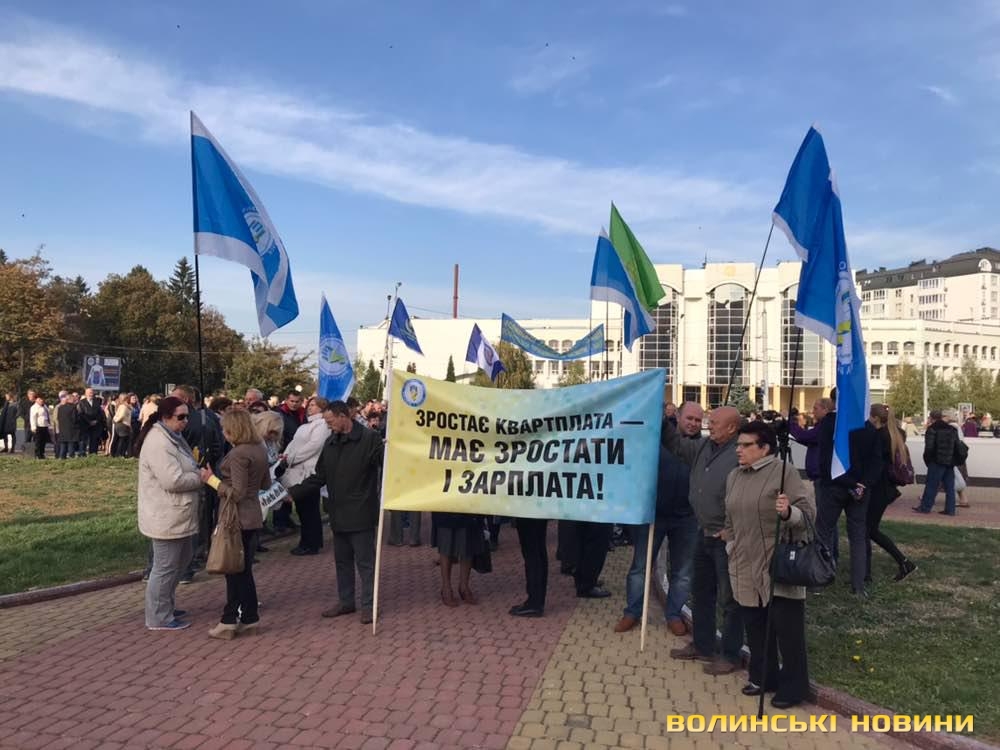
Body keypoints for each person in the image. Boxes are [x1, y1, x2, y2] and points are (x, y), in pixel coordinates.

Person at [723, 421, 814, 708]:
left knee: (787, 630)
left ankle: (794, 687)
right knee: (756, 626)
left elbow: (808, 516)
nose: (738, 450)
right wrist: (730, 543)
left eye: (745, 445)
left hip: (778, 563)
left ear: (764, 448)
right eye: (738, 444)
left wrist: (789, 513)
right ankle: (764, 677)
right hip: (743, 562)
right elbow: (730, 517)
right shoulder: (734, 476)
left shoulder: (784, 472)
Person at [663, 403, 743, 676]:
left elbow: (749, 494)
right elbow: (677, 445)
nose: (709, 425)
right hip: (704, 532)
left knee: (730, 599)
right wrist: (662, 419)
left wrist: (731, 528)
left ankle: (730, 655)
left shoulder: (740, 453)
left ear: (731, 428)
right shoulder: (705, 446)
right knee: (702, 592)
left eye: (715, 422)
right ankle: (703, 645)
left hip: (726, 538)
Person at [293, 401, 384, 624]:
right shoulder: (330, 443)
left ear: (343, 416)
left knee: (366, 563)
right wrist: (293, 492)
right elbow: (319, 476)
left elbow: (386, 465)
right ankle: (346, 601)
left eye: (330, 421)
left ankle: (369, 605)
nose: (328, 425)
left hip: (361, 512)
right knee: (342, 561)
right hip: (338, 512)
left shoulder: (369, 439)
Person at [200, 408, 271, 639]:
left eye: (225, 429)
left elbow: (237, 493)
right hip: (253, 515)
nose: (223, 432)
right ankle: (249, 618)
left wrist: (212, 480)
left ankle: (229, 620)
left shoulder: (239, 454)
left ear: (233, 429)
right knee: (243, 570)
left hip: (236, 517)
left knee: (234, 571)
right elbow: (265, 483)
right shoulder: (259, 449)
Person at [615, 445, 697, 636]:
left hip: (687, 518)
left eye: (696, 423)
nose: (692, 427)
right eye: (688, 421)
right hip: (653, 516)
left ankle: (673, 615)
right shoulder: (655, 441)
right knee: (640, 567)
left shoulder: (700, 448)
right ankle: (632, 613)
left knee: (683, 572)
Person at [135, 396, 201, 631]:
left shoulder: (173, 437)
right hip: (166, 515)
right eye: (180, 417)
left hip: (178, 513)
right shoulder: (159, 443)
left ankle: (166, 606)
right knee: (165, 568)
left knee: (180, 562)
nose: (185, 421)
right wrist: (200, 478)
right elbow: (172, 480)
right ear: (165, 417)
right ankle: (158, 617)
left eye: (187, 416)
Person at [814, 395, 879, 596]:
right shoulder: (867, 427)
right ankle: (858, 585)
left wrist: (849, 482)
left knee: (823, 532)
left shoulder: (831, 424)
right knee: (858, 535)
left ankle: (820, 579)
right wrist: (863, 484)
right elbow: (877, 461)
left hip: (835, 485)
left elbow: (825, 459)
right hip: (860, 488)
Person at [866, 404, 917, 582]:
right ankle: (903, 562)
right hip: (886, 488)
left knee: (869, 530)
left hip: (879, 489)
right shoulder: (894, 435)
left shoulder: (880, 437)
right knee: (870, 529)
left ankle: (903, 562)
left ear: (875, 418)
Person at [280, 396, 330, 555]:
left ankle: (311, 543)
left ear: (322, 408)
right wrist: (285, 456)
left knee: (309, 509)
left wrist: (292, 458)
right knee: (303, 509)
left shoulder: (322, 425)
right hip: (296, 470)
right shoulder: (305, 425)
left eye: (314, 405)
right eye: (309, 404)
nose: (310, 407)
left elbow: (314, 446)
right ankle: (308, 540)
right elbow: (293, 443)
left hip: (308, 472)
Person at [432, 512, 486, 606]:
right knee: (446, 545)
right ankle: (446, 588)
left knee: (468, 545)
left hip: (468, 509)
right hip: (445, 509)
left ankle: (464, 587)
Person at [915, 409, 960, 516]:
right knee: (950, 487)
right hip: (949, 461)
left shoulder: (932, 429)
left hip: (936, 461)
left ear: (931, 418)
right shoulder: (952, 429)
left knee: (931, 485)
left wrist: (928, 460)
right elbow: (956, 446)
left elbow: (929, 448)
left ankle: (925, 507)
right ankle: (950, 509)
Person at [77, 388, 104, 455]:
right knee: (84, 441)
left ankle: (93, 454)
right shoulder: (81, 402)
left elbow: (100, 413)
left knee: (94, 440)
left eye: (92, 393)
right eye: (89, 393)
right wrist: (89, 421)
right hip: (85, 425)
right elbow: (81, 413)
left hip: (95, 425)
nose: (91, 394)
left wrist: (96, 420)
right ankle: (82, 454)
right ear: (86, 394)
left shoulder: (97, 402)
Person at [55, 392, 81, 459]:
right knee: (71, 444)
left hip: (62, 428)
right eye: (73, 399)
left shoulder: (60, 408)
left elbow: (58, 418)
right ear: (70, 399)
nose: (74, 400)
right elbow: (74, 419)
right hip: (71, 429)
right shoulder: (73, 407)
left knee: (63, 444)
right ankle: (71, 456)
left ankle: (62, 457)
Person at [29, 395, 51, 459]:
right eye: (39, 399)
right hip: (38, 426)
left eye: (42, 399)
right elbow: (32, 418)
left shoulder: (44, 406)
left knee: (43, 441)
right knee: (38, 441)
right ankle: (38, 454)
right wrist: (33, 427)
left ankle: (42, 453)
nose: (41, 400)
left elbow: (47, 415)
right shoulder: (34, 407)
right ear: (36, 400)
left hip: (45, 425)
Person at [110, 393, 132, 457]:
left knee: (120, 440)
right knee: (122, 440)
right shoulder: (123, 406)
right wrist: (116, 420)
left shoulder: (123, 406)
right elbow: (121, 415)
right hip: (123, 424)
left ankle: (117, 453)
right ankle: (119, 454)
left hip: (123, 424)